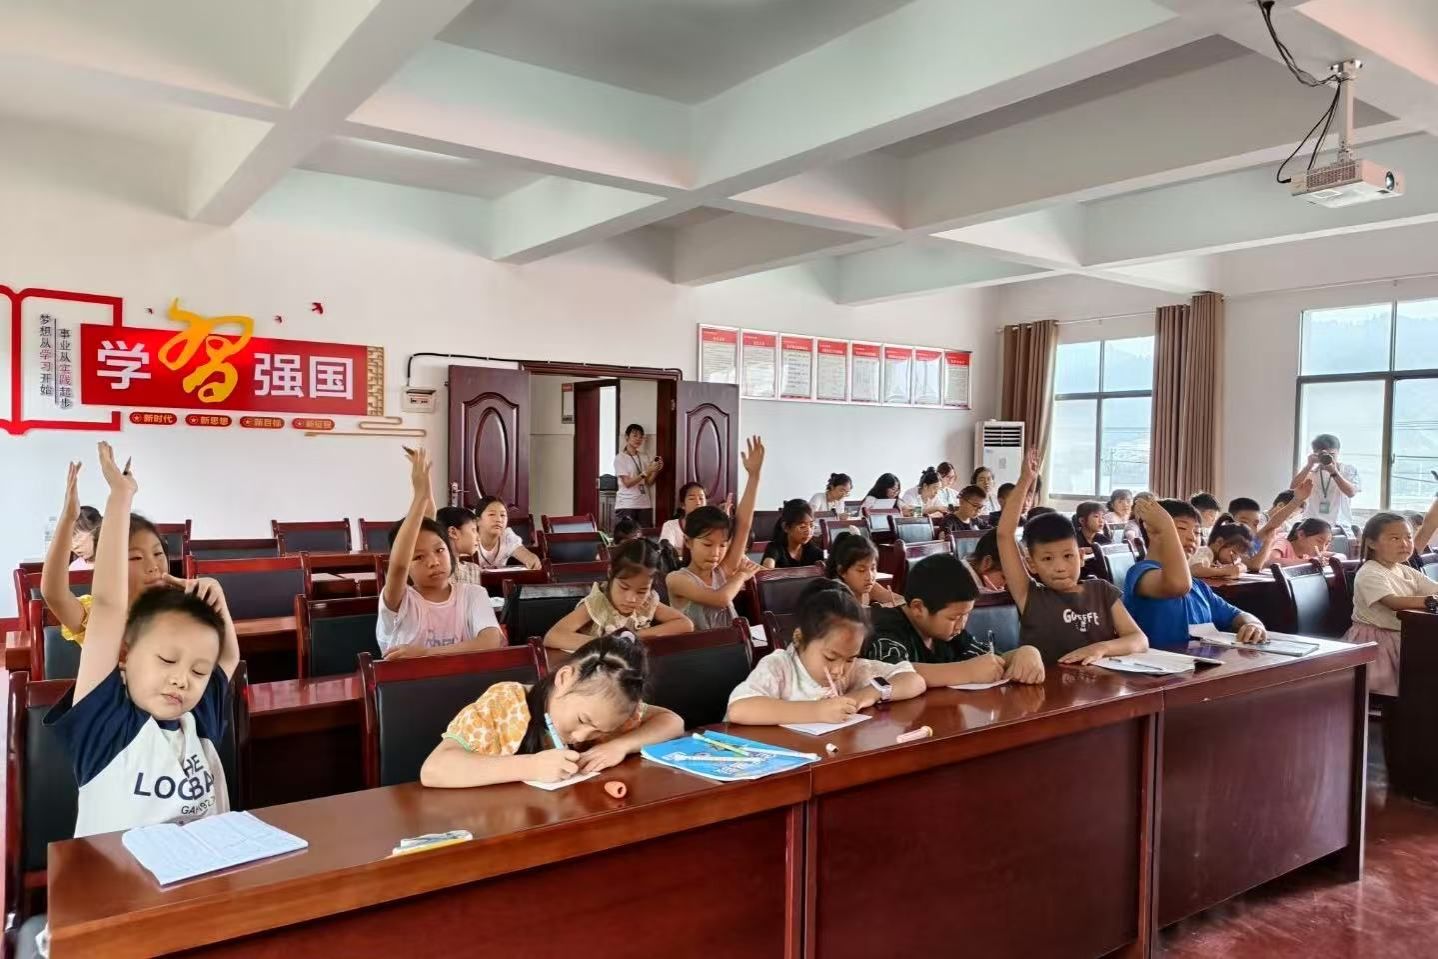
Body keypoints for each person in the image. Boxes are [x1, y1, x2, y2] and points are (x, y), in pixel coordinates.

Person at [48, 443, 240, 880]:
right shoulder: (106, 723)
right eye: (167, 659)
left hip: (200, 885)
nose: (182, 680)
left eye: (197, 670)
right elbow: (107, 606)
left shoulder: (198, 716)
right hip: (119, 893)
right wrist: (120, 497)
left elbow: (227, 656)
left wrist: (218, 601)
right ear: (126, 656)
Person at [420, 632, 684, 787]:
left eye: (600, 731)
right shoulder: (505, 703)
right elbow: (434, 769)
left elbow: (671, 721)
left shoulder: (612, 709)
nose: (581, 737)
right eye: (583, 720)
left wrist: (619, 745)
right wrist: (530, 766)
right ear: (564, 678)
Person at [998, 450, 1147, 665]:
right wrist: (1025, 481)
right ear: (1031, 564)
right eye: (1047, 559)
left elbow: (1139, 640)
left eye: (1068, 556)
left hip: (1099, 682)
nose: (1060, 567)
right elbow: (1004, 535)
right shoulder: (1030, 596)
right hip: (1049, 684)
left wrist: (1101, 648)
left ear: (1081, 555)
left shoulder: (1101, 591)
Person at [726, 580, 924, 725]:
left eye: (850, 659)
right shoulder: (780, 667)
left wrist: (867, 694)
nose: (839, 670)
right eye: (830, 657)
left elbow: (913, 680)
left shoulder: (854, 671)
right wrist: (817, 711)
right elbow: (739, 708)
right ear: (799, 637)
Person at [379, 448, 504, 659]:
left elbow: (490, 641)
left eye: (439, 550)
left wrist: (426, 654)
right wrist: (420, 497)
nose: (433, 562)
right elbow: (398, 565)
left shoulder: (473, 594)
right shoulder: (399, 600)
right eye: (418, 557)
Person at [42, 461, 169, 649]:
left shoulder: (181, 608)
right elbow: (54, 594)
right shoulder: (98, 616)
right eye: (136, 557)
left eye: (158, 553)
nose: (153, 566)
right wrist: (68, 518)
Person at [865, 553, 1045, 685]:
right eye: (954, 617)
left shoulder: (950, 634)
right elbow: (890, 673)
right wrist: (966, 671)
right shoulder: (885, 629)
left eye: (966, 615)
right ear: (918, 608)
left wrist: (1025, 653)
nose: (961, 625)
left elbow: (991, 661)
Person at [1123, 498, 1271, 651]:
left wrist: (1254, 624)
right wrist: (1166, 527)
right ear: (1152, 530)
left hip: (1201, 663)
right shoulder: (1141, 574)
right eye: (1181, 528)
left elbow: (1236, 615)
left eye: (1197, 532)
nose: (1192, 537)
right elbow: (1178, 585)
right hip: (1161, 664)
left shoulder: (1198, 586)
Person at [666, 437, 765, 630]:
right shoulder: (676, 579)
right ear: (688, 541)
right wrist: (741, 575)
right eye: (707, 544)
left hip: (734, 645)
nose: (715, 553)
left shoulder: (721, 571)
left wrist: (754, 477)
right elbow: (720, 599)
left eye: (723, 545)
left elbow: (743, 526)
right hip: (701, 649)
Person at [1345, 504, 1438, 695]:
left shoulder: (1403, 569)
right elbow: (1393, 602)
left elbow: (1434, 588)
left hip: (1402, 636)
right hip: (1377, 642)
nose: (1404, 544)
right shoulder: (1369, 572)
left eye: (1408, 537)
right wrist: (1431, 601)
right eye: (1395, 538)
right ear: (1371, 543)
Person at [545, 539, 692, 651]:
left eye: (641, 591)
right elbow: (553, 636)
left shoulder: (647, 602)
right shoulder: (598, 603)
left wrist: (635, 636)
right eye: (624, 587)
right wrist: (609, 643)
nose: (631, 599)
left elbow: (685, 624)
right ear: (610, 573)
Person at [1291, 433, 1360, 531]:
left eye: (1331, 454)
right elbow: (1293, 489)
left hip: (1339, 525)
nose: (1327, 458)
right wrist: (1309, 465)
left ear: (1338, 452)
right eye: (1322, 455)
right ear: (1315, 453)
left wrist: (1334, 472)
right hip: (1311, 524)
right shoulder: (1310, 471)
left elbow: (1351, 492)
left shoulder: (1347, 470)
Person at [826, 532, 899, 608]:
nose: (869, 577)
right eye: (861, 570)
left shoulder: (869, 586)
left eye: (873, 568)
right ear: (841, 571)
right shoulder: (835, 595)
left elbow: (901, 601)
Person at [468, 497, 541, 571]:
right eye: (492, 514)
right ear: (478, 521)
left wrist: (532, 559)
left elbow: (525, 555)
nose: (499, 519)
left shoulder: (507, 536)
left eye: (502, 515)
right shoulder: (469, 538)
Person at [614, 423, 661, 528]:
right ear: (627, 437)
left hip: (644, 504)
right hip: (626, 505)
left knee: (645, 535)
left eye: (641, 437)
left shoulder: (644, 457)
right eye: (635, 435)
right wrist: (647, 471)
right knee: (627, 536)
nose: (638, 439)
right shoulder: (620, 458)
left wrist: (655, 470)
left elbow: (648, 482)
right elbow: (627, 483)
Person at [662, 482, 726, 550]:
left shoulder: (713, 526)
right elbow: (666, 551)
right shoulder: (670, 526)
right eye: (692, 499)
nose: (698, 502)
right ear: (682, 505)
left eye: (701, 498)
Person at [761, 499, 824, 569]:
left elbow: (828, 563)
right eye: (802, 527)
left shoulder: (813, 550)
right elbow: (767, 568)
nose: (809, 531)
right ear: (786, 527)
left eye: (811, 526)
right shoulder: (774, 548)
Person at [1269, 518, 1333, 564]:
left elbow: (1331, 554)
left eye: (1326, 544)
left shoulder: (1308, 553)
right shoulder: (1283, 544)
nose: (1322, 548)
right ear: (1301, 535)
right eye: (1319, 541)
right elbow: (1271, 561)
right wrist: (1309, 561)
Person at [68, 505, 102, 571]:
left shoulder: (115, 561)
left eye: (77, 538)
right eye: (69, 541)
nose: (73, 547)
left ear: (96, 531)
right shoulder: (74, 568)